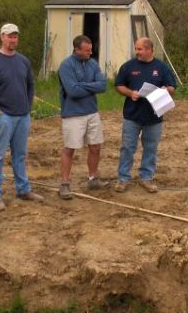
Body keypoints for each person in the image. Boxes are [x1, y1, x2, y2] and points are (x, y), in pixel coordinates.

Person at [0, 23, 44, 210]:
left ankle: (23, 190)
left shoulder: (23, 61)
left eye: (15, 36)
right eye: (9, 36)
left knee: (20, 155)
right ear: (2, 37)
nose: (12, 40)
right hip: (3, 116)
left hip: (23, 115)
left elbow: (30, 85)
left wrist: (28, 105)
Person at [114, 37, 176, 193]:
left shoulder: (161, 68)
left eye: (140, 49)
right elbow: (119, 85)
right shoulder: (128, 66)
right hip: (132, 116)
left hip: (154, 117)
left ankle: (146, 178)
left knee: (150, 148)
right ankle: (123, 179)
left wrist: (165, 90)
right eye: (136, 48)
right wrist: (130, 93)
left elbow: (172, 88)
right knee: (127, 148)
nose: (137, 52)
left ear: (149, 50)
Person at [58, 35, 108, 199]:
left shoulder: (93, 63)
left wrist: (83, 86)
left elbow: (103, 86)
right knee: (70, 149)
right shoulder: (66, 66)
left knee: (95, 147)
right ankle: (64, 184)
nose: (90, 53)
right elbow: (72, 91)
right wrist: (91, 87)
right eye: (87, 50)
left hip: (92, 112)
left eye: (91, 49)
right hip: (73, 114)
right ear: (77, 49)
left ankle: (93, 178)